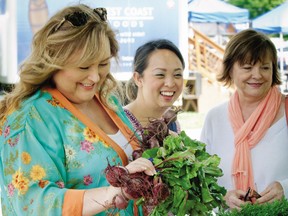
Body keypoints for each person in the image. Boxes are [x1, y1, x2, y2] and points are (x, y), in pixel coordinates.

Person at [0, 4, 156, 216]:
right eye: (84, 67)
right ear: (53, 62)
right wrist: (111, 193)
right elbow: (30, 203)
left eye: (102, 64)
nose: (94, 77)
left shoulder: (106, 100)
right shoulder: (30, 118)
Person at [200, 29, 288, 210]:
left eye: (265, 67)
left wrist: (285, 189)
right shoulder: (214, 118)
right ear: (230, 70)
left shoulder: (285, 110)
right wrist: (223, 197)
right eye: (247, 67)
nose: (257, 75)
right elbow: (202, 180)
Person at [124, 39, 185, 134]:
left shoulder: (172, 125)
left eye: (177, 74)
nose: (170, 83)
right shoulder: (118, 124)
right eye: (160, 74)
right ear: (138, 78)